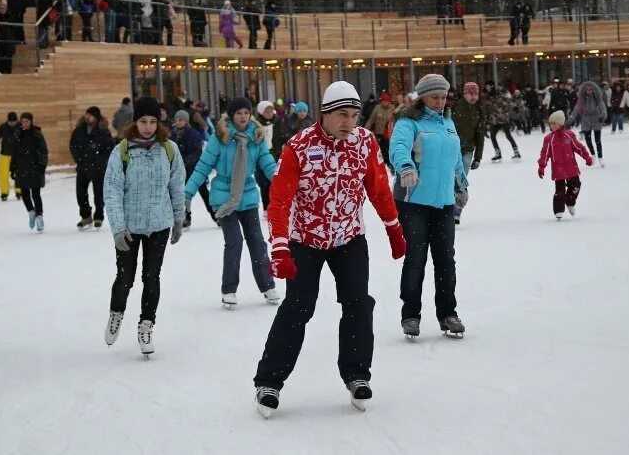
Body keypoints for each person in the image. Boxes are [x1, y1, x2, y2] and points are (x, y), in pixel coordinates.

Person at [253, 81, 406, 418]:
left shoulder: (364, 143)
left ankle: (356, 375)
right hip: (305, 239)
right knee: (298, 307)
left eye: (354, 115)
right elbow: (279, 200)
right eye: (342, 115)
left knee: (358, 303)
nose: (349, 122)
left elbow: (379, 188)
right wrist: (279, 247)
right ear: (325, 114)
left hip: (349, 238)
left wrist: (393, 227)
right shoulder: (299, 146)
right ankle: (270, 381)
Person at [103, 97, 185, 356]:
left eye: (152, 121)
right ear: (134, 122)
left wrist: (178, 219)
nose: (148, 127)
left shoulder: (169, 149)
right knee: (125, 278)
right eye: (142, 121)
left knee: (151, 277)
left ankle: (146, 325)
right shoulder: (122, 150)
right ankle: (117, 313)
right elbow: (112, 190)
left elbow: (176, 186)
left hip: (159, 224)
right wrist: (117, 227)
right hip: (129, 226)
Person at [389, 74, 468, 341]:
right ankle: (410, 315)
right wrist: (406, 167)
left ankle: (448, 313)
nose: (440, 101)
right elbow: (398, 147)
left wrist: (461, 185)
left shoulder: (447, 122)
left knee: (446, 260)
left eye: (444, 96)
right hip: (413, 202)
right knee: (416, 259)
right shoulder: (408, 121)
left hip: (443, 202)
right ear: (422, 97)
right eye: (435, 96)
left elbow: (455, 156)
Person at [184, 97, 278, 309]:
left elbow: (267, 162)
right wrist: (187, 192)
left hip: (248, 195)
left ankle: (267, 285)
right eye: (239, 113)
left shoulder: (256, 136)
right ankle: (229, 289)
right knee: (234, 241)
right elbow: (203, 167)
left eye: (246, 112)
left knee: (257, 241)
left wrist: (282, 181)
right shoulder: (221, 137)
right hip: (224, 198)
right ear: (231, 116)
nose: (243, 117)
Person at [538, 110, 593, 220]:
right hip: (558, 168)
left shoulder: (569, 135)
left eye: (554, 123)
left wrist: (587, 157)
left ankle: (570, 201)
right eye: (551, 123)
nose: (552, 126)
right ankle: (558, 210)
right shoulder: (549, 139)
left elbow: (579, 147)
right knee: (560, 191)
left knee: (576, 186)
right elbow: (544, 154)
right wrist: (541, 166)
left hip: (571, 167)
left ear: (561, 123)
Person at [70, 106, 114, 230]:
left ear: (96, 117)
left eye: (91, 115)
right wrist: (79, 159)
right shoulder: (79, 130)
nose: (87, 117)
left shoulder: (103, 131)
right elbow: (73, 145)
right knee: (81, 193)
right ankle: (85, 216)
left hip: (98, 168)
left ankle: (99, 216)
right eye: (87, 114)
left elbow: (109, 148)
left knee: (98, 193)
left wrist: (99, 162)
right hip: (82, 167)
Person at [172, 110, 215, 226]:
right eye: (176, 120)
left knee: (204, 193)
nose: (178, 122)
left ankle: (215, 215)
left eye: (180, 120)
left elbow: (197, 151)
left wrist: (186, 162)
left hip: (195, 170)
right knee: (182, 195)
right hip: (180, 171)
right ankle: (186, 217)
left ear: (185, 121)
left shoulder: (192, 133)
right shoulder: (173, 134)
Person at [451, 82, 486, 225]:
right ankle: (447, 208)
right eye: (470, 94)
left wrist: (478, 157)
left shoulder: (479, 110)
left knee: (460, 180)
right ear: (464, 94)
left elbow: (480, 134)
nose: (473, 97)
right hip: (451, 149)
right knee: (449, 180)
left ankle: (456, 210)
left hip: (467, 150)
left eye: (475, 94)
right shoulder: (454, 107)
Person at [11, 112, 48, 232]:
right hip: (22, 168)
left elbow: (43, 151)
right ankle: (31, 212)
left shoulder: (37, 134)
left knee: (36, 194)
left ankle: (39, 217)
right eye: (23, 121)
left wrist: (42, 166)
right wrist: (12, 168)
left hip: (35, 167)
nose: (25, 124)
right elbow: (14, 152)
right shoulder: (18, 134)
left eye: (27, 121)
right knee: (24, 193)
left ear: (31, 122)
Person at [254, 100, 290, 211]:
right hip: (260, 157)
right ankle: (266, 206)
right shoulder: (256, 124)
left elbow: (287, 137)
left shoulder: (278, 122)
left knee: (275, 182)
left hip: (276, 156)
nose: (269, 113)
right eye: (266, 111)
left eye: (270, 110)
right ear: (261, 112)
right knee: (263, 184)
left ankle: (276, 206)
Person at [568, 81, 607, 168]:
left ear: (593, 90)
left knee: (598, 140)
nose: (589, 91)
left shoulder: (597, 98)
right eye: (587, 89)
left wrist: (602, 116)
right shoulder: (582, 100)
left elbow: (603, 108)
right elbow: (576, 110)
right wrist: (570, 120)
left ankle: (600, 158)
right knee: (588, 140)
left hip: (596, 119)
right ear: (584, 90)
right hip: (585, 120)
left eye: (590, 89)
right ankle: (593, 154)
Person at [0, 112, 21, 201]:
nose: (12, 124)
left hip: (18, 154)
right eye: (10, 123)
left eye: (14, 122)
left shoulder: (21, 126)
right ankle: (4, 192)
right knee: (3, 174)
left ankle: (19, 191)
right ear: (8, 121)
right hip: (5, 154)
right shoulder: (3, 127)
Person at [484, 86, 520, 161]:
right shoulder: (488, 97)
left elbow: (509, 101)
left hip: (503, 118)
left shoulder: (500, 95)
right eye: (486, 87)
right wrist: (485, 118)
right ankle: (498, 153)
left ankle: (516, 152)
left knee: (508, 135)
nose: (487, 88)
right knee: (493, 136)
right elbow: (486, 108)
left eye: (488, 87)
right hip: (494, 120)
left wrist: (514, 107)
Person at [364, 94, 396, 172]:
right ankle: (384, 165)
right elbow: (371, 119)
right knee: (381, 149)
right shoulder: (377, 108)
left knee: (389, 149)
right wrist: (365, 130)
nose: (384, 103)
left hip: (389, 134)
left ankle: (390, 165)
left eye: (386, 101)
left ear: (388, 101)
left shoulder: (392, 108)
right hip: (379, 132)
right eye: (383, 101)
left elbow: (395, 121)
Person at [0, 2, 16, 74]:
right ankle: (1, 71)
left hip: (9, 39)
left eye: (4, 8)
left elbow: (13, 27)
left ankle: (8, 71)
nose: (2, 10)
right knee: (1, 56)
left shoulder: (10, 15)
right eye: (1, 8)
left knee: (9, 56)